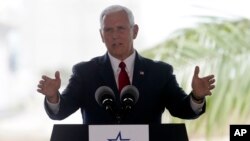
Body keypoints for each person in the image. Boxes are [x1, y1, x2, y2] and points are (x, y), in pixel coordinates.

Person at [37, 5, 215, 124]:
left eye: (121, 28)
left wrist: (197, 97)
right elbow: (61, 111)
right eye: (108, 30)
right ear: (101, 35)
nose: (115, 35)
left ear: (134, 31)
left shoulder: (159, 73)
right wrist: (53, 97)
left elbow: (182, 109)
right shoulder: (85, 72)